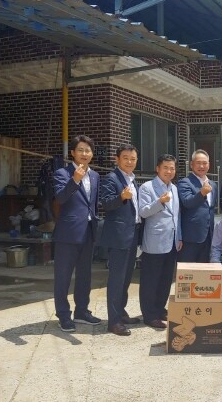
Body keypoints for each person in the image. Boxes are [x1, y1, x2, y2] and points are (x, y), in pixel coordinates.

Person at [52, 135, 101, 332]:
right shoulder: (62, 173)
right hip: (68, 233)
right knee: (63, 276)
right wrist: (74, 180)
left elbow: (93, 204)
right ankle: (63, 315)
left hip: (88, 231)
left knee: (84, 275)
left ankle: (82, 311)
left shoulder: (96, 176)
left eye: (88, 150)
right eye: (80, 150)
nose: (84, 154)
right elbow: (60, 198)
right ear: (72, 153)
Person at [99, 144, 142, 336]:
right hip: (118, 237)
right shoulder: (111, 178)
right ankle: (113, 321)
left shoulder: (133, 180)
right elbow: (104, 204)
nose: (130, 162)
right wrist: (121, 197)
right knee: (116, 279)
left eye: (133, 159)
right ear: (117, 159)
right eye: (126, 158)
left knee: (126, 279)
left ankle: (121, 312)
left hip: (132, 235)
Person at [139, 154, 182, 330]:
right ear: (158, 168)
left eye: (172, 168)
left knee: (165, 279)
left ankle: (159, 308)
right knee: (151, 279)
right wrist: (160, 202)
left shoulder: (175, 188)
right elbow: (143, 212)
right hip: (154, 241)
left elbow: (177, 215)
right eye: (166, 168)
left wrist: (179, 236)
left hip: (172, 241)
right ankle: (149, 315)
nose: (169, 171)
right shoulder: (147, 187)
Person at [177, 149, 217, 263]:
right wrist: (202, 193)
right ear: (191, 164)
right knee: (188, 273)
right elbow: (187, 202)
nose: (201, 166)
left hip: (208, 236)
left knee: (203, 272)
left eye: (205, 163)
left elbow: (210, 209)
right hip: (190, 237)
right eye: (198, 163)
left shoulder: (213, 184)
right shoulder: (185, 182)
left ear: (209, 165)